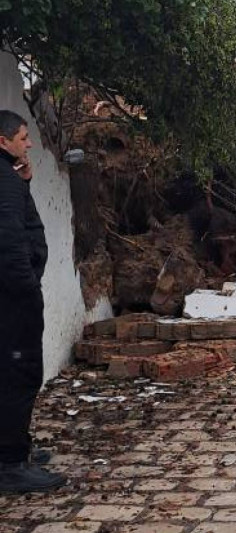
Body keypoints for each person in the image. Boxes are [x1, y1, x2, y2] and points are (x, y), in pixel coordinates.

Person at [0, 110, 65, 493]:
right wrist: (28, 290)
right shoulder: (3, 184)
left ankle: (13, 448)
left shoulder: (10, 180)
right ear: (3, 140)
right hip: (14, 301)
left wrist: (24, 183)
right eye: (23, 137)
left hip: (11, 298)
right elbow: (9, 242)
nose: (29, 143)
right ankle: (10, 464)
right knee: (19, 375)